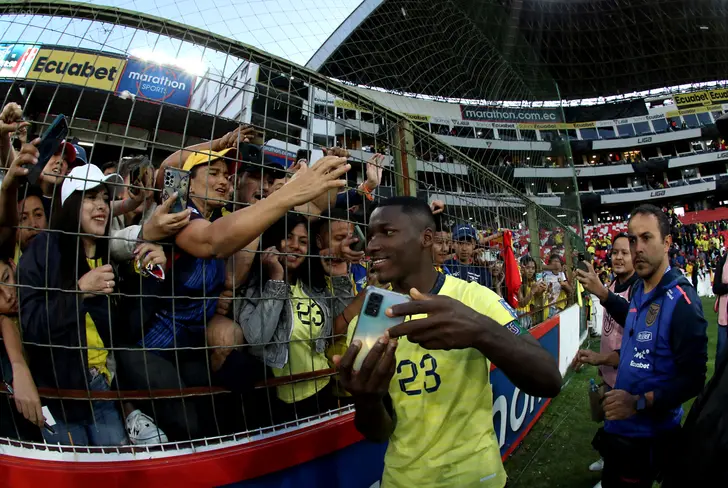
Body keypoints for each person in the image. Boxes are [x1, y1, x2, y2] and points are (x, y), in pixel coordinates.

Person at [334, 196, 562, 488]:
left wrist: (479, 331)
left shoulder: (474, 299)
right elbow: (378, 432)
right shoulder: (367, 322)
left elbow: (549, 380)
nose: (371, 245)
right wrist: (367, 401)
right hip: (402, 481)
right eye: (371, 234)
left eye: (387, 232)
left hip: (477, 479)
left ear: (426, 238)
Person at [18, 161, 168, 446]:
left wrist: (151, 275)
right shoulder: (41, 253)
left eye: (105, 198)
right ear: (70, 203)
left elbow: (125, 330)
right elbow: (32, 327)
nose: (101, 205)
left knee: (113, 473)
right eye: (90, 196)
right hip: (61, 394)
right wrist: (79, 291)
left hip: (102, 387)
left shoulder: (106, 255)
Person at [576, 204, 708, 488]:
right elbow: (636, 324)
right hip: (619, 433)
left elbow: (694, 380)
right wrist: (603, 294)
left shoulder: (683, 303)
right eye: (633, 239)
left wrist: (637, 403)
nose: (637, 248)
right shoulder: (638, 288)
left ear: (667, 242)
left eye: (646, 238)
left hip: (648, 439)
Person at [235, 213, 354, 423]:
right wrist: (276, 280)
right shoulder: (254, 289)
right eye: (287, 237)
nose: (295, 246)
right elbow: (257, 338)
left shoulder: (313, 287)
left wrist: (340, 278)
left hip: (323, 390)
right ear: (272, 242)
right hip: (280, 402)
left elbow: (344, 322)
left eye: (303, 241)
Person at [574, 232, 638, 484]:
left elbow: (633, 333)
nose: (619, 257)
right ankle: (609, 458)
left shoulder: (637, 289)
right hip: (609, 371)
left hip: (626, 373)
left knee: (623, 429)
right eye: (615, 252)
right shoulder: (611, 285)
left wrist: (601, 360)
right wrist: (601, 367)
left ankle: (612, 470)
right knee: (609, 422)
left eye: (625, 252)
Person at [445, 223, 492, 288]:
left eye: (468, 243)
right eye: (460, 243)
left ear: (474, 244)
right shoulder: (445, 267)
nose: (464, 248)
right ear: (452, 244)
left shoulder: (483, 272)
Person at [517, 255, 547, 329]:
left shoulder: (532, 282)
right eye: (527, 268)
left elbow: (535, 300)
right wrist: (532, 291)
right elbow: (522, 304)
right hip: (520, 316)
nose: (530, 271)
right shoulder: (518, 283)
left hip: (530, 317)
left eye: (533, 268)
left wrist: (542, 291)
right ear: (522, 268)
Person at [712, 249, 728, 365]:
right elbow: (716, 287)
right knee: (722, 349)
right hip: (724, 313)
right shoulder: (722, 261)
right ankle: (719, 381)